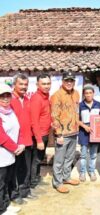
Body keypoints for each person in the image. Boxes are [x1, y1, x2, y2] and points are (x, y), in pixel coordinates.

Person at [51, 71, 80, 193]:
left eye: (71, 80)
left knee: (69, 158)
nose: (69, 83)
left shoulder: (77, 93)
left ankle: (66, 177)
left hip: (74, 131)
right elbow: (54, 115)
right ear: (62, 81)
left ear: (74, 82)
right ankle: (57, 183)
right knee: (59, 160)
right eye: (67, 80)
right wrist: (58, 133)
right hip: (62, 134)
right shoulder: (57, 95)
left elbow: (76, 112)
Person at [10, 74, 37, 204]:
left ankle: (25, 191)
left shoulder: (27, 99)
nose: (23, 87)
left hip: (27, 140)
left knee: (25, 168)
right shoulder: (8, 99)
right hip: (14, 142)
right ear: (14, 84)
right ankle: (14, 194)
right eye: (21, 84)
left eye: (25, 84)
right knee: (14, 170)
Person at [0, 84, 24, 215]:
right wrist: (15, 148)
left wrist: (20, 143)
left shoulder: (10, 110)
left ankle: (5, 204)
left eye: (7, 95)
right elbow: (1, 136)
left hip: (10, 155)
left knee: (7, 181)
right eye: (1, 96)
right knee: (0, 184)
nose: (5, 98)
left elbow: (17, 128)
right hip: (2, 155)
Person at [30, 73, 52, 188]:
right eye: (43, 84)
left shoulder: (46, 96)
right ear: (37, 84)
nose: (46, 86)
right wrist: (39, 140)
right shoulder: (36, 99)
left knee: (39, 159)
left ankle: (36, 178)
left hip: (45, 134)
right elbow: (34, 121)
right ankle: (33, 183)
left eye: (48, 83)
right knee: (36, 160)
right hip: (39, 136)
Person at [78, 84, 100, 182]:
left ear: (93, 93)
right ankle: (82, 172)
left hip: (95, 132)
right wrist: (85, 126)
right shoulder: (80, 105)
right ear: (83, 94)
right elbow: (76, 119)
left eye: (90, 93)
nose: (88, 95)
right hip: (83, 132)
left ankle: (92, 171)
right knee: (83, 154)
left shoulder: (98, 104)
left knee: (93, 154)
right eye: (86, 93)